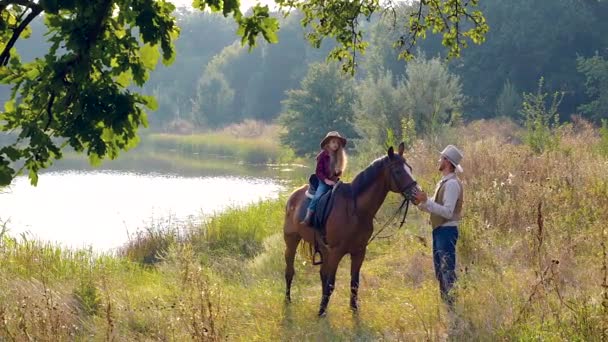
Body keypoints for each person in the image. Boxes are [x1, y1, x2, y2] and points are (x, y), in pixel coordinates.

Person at [414, 145, 464, 306]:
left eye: (441, 158)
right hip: (440, 231)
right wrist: (422, 203)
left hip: (447, 231)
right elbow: (435, 207)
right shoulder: (444, 182)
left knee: (446, 270)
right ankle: (448, 306)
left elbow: (448, 212)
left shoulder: (451, 185)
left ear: (447, 162)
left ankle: (452, 307)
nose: (439, 160)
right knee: (440, 271)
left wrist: (426, 201)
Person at [300, 131, 348, 226]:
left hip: (334, 181)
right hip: (323, 181)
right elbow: (319, 172)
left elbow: (338, 174)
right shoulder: (322, 156)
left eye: (338, 143)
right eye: (333, 142)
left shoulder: (339, 156)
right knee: (318, 196)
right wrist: (327, 181)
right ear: (328, 143)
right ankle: (308, 217)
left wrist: (338, 172)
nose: (336, 145)